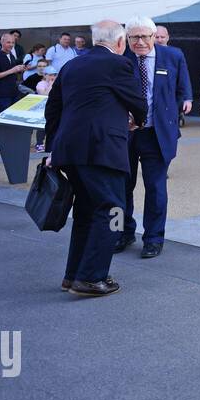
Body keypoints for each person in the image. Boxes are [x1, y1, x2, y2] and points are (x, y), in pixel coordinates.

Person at [44, 19, 147, 296]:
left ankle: (72, 275)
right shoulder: (118, 64)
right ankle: (91, 278)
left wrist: (51, 148)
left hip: (70, 151)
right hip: (103, 150)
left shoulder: (71, 65)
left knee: (86, 213)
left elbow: (52, 109)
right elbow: (137, 101)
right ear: (120, 42)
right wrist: (138, 120)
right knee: (113, 210)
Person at [115, 17, 191, 259]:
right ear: (126, 39)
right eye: (134, 37)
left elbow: (182, 89)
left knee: (156, 187)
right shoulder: (118, 59)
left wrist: (169, 113)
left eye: (145, 37)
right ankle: (123, 233)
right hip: (124, 135)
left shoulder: (173, 56)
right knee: (121, 186)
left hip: (156, 134)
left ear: (154, 36)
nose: (140, 42)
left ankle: (153, 238)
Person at [0, 32, 28, 154]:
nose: (10, 45)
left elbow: (11, 72)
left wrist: (19, 69)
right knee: (0, 120)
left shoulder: (11, 56)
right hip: (0, 95)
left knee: (10, 120)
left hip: (12, 93)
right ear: (2, 42)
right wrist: (12, 70)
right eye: (8, 42)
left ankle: (6, 144)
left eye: (13, 43)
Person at [153, 25, 192, 126]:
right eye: (157, 37)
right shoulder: (146, 55)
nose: (160, 40)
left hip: (171, 99)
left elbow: (184, 77)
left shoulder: (176, 54)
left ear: (168, 37)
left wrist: (187, 99)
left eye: (162, 37)